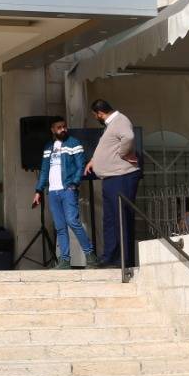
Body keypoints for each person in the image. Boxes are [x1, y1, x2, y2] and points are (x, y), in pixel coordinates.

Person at [32, 117, 98, 270]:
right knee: (60, 226)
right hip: (53, 192)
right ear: (52, 130)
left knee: (73, 222)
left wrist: (73, 184)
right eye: (59, 127)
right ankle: (65, 261)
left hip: (67, 189)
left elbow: (80, 165)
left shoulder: (74, 143)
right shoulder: (48, 147)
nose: (63, 129)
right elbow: (44, 170)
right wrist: (38, 191)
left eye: (64, 126)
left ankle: (90, 255)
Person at [84, 100, 141, 268]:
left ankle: (123, 259)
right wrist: (94, 160)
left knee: (121, 218)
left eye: (95, 116)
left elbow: (128, 137)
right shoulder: (111, 125)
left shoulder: (120, 120)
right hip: (111, 178)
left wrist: (122, 153)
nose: (96, 118)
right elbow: (108, 146)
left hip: (122, 176)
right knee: (110, 219)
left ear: (99, 113)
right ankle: (109, 256)